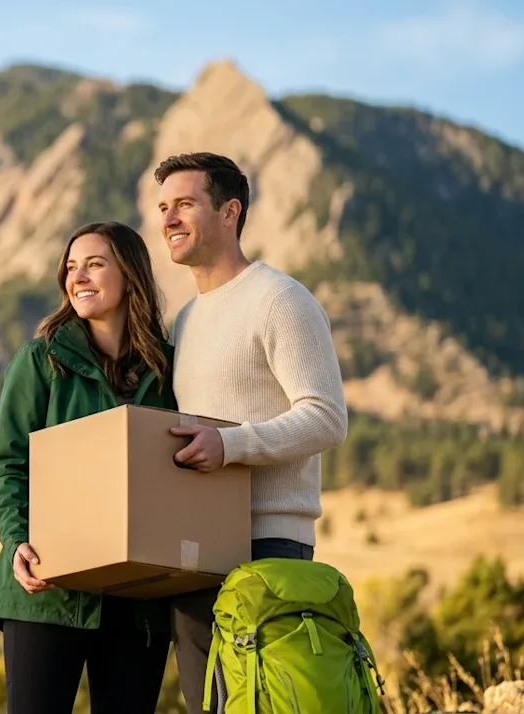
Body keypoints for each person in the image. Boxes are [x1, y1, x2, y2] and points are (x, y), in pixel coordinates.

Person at [152, 152, 349, 713]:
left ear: (230, 211)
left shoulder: (280, 299)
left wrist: (230, 444)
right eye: (163, 207)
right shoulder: (184, 321)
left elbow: (327, 416)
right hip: (194, 547)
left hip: (268, 547)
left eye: (185, 204)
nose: (168, 219)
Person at [0, 221, 178, 713]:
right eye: (71, 267)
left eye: (94, 263)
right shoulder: (41, 360)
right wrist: (15, 540)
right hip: (47, 589)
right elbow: (8, 464)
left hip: (137, 605)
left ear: (130, 274)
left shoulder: (169, 369)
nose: (78, 277)